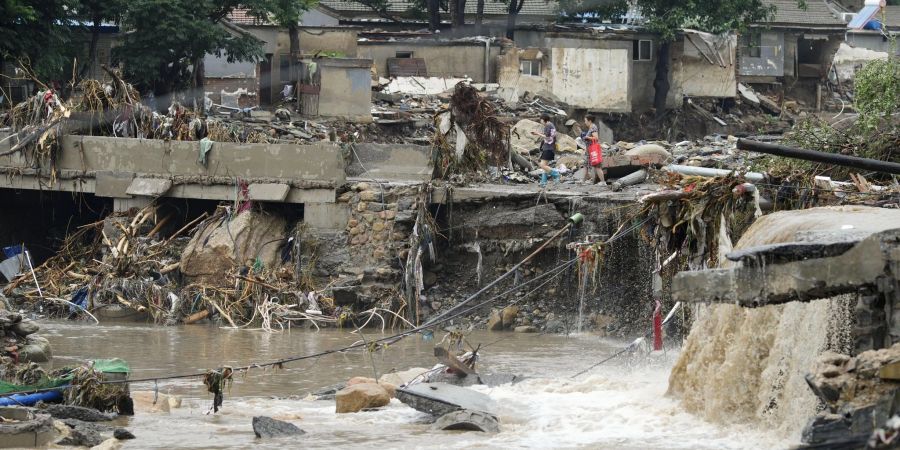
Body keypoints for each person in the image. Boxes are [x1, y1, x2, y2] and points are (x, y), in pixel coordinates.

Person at [531, 114, 560, 186]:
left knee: (542, 165)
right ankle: (543, 182)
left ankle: (556, 173)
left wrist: (537, 133)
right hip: (550, 147)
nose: (540, 121)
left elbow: (547, 137)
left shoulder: (548, 126)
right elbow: (549, 136)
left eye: (541, 120)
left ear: (544, 119)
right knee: (545, 166)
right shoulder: (551, 125)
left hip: (548, 147)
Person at [583, 115, 606, 185]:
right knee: (586, 164)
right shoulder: (591, 127)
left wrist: (587, 137)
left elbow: (596, 138)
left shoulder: (593, 127)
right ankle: (584, 180)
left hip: (593, 150)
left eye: (585, 121)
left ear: (589, 121)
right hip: (589, 150)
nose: (585, 122)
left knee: (597, 166)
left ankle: (603, 182)